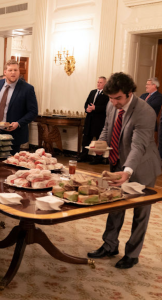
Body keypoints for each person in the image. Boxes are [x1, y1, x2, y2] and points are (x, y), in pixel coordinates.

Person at [87, 72, 161, 269]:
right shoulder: (113, 104)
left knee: (140, 212)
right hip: (118, 162)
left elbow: (138, 146)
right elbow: (107, 129)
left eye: (118, 98)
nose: (114, 102)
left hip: (143, 166)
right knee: (115, 206)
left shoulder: (145, 112)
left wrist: (127, 171)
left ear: (129, 93)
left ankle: (132, 254)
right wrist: (98, 145)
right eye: (110, 98)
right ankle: (110, 245)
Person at [78, 76, 109, 164]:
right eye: (98, 82)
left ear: (105, 84)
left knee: (99, 140)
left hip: (99, 121)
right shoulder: (93, 92)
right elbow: (86, 103)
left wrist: (96, 108)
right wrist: (86, 109)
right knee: (86, 139)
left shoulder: (107, 94)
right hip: (89, 120)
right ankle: (83, 156)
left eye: (101, 82)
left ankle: (98, 158)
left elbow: (107, 107)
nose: (98, 84)